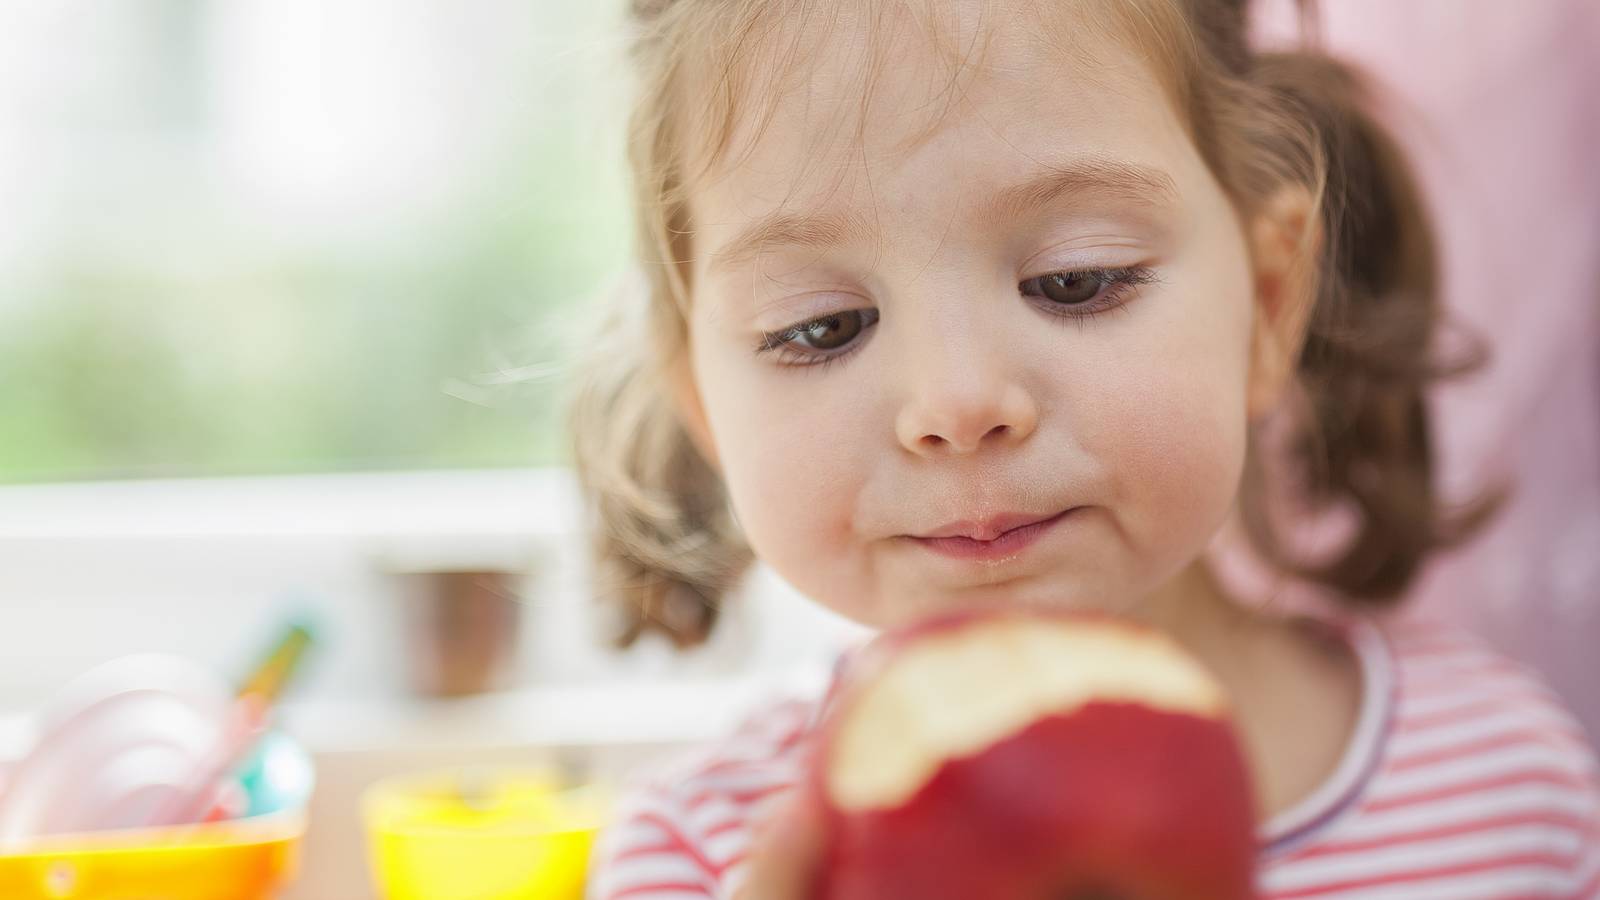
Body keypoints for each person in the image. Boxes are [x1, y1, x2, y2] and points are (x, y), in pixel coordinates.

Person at [571, 0, 1600, 896]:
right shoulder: (698, 858)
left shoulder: (1510, 792)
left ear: (1268, 306)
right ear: (703, 402)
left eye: (1075, 278)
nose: (956, 403)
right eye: (820, 327)